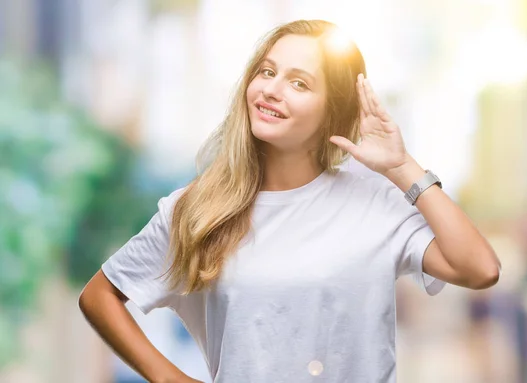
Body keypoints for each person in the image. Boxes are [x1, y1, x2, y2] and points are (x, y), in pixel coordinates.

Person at [78, 19, 501, 383]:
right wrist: (167, 376)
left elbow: (480, 269)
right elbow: (100, 296)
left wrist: (402, 166)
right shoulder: (197, 207)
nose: (272, 90)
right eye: (266, 72)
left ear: (331, 111)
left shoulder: (377, 202)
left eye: (299, 83)